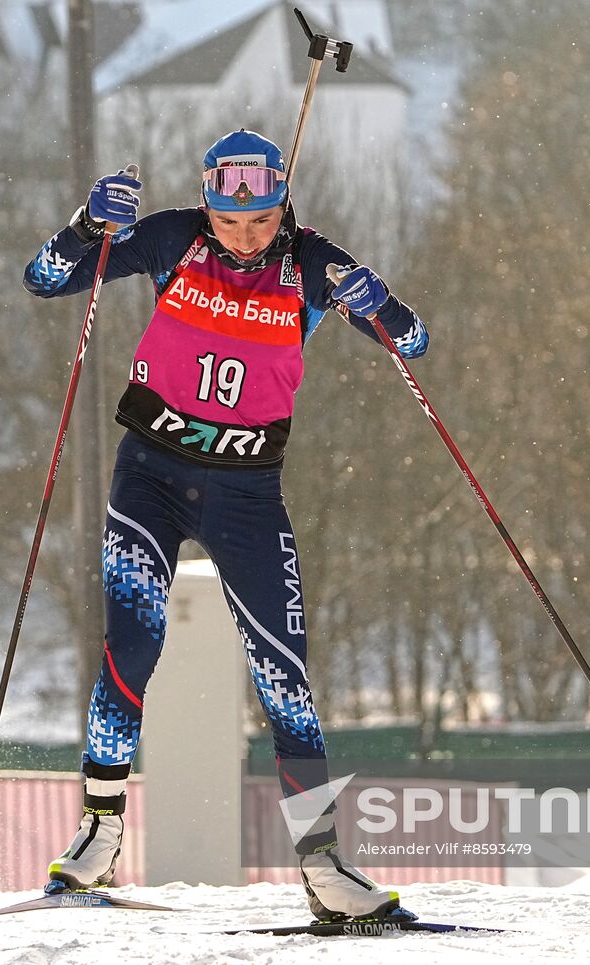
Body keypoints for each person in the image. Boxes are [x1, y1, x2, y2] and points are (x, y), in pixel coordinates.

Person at [22, 129, 429, 922]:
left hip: (247, 494)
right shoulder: (174, 237)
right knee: (133, 642)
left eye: (262, 220)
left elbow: (413, 341)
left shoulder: (312, 261)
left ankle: (325, 871)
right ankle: (98, 834)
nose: (245, 237)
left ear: (284, 204)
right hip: (151, 478)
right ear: (208, 206)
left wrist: (381, 305)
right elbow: (45, 281)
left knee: (285, 673)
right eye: (230, 220)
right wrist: (84, 226)